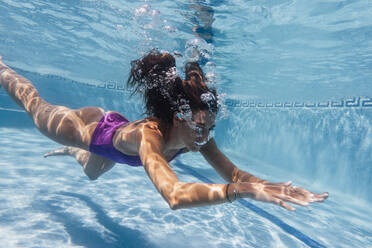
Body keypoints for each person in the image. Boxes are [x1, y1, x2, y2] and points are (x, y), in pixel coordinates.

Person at [0, 51, 328, 210]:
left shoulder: (197, 136)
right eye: (201, 126)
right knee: (34, 106)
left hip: (115, 151)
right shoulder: (149, 138)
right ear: (179, 117)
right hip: (91, 129)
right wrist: (239, 192)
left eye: (211, 127)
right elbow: (174, 196)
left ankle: (78, 156)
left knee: (91, 173)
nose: (205, 136)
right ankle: (2, 68)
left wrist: (274, 187)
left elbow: (236, 173)